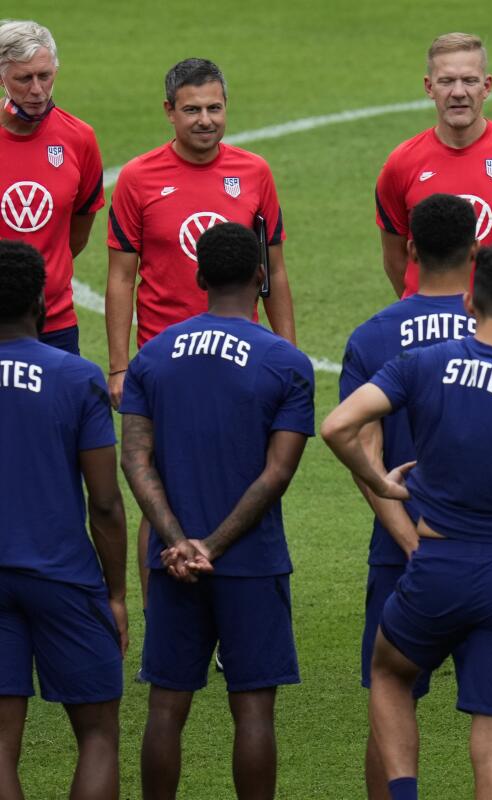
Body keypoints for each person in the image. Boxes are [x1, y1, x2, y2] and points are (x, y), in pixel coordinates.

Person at [322, 241, 492, 800]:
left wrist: (380, 482)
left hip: (437, 564)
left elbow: (336, 427)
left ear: (470, 301)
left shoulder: (421, 364)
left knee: (391, 674)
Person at [340, 193, 492, 799]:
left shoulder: (374, 337)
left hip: (405, 553)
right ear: (476, 251)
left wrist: (407, 539)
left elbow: (362, 451)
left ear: (409, 250)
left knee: (391, 691)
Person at [119, 222, 314, 800]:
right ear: (261, 278)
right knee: (253, 711)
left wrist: (179, 542)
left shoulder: (151, 358)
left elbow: (135, 460)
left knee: (165, 707)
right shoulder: (287, 363)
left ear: (199, 277)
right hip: (251, 563)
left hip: (171, 565)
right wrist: (216, 546)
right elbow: (277, 472)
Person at [106, 57, 298, 634]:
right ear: (169, 111)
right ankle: (163, 612)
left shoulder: (254, 172)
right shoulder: (138, 178)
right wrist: (119, 367)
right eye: (192, 109)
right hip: (164, 367)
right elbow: (121, 277)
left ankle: (235, 613)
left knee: (250, 479)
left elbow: (276, 272)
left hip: (244, 363)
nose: (206, 120)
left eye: (214, 107)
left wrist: (287, 351)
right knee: (155, 483)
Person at [0, 240, 126, 800]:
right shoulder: (77, 377)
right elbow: (104, 501)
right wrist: (117, 593)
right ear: (43, 304)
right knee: (97, 734)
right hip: (63, 576)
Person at [375, 32, 492, 304]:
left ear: (486, 86)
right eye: (447, 81)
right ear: (429, 87)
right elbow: (394, 258)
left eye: (470, 81)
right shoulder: (401, 164)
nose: (459, 92)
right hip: (430, 333)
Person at [0, 20, 104, 355]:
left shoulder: (79, 138)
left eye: (45, 75)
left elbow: (77, 234)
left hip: (55, 323)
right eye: (24, 78)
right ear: (2, 78)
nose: (37, 90)